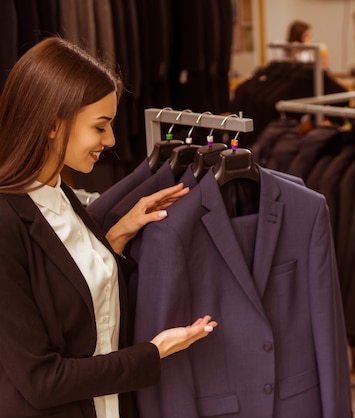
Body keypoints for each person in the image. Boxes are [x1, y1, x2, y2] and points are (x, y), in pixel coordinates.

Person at [0, 37, 218, 418]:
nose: (112, 140)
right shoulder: (5, 222)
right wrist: (155, 351)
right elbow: (42, 381)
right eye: (100, 127)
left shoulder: (60, 193)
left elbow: (72, 294)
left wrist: (114, 237)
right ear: (53, 125)